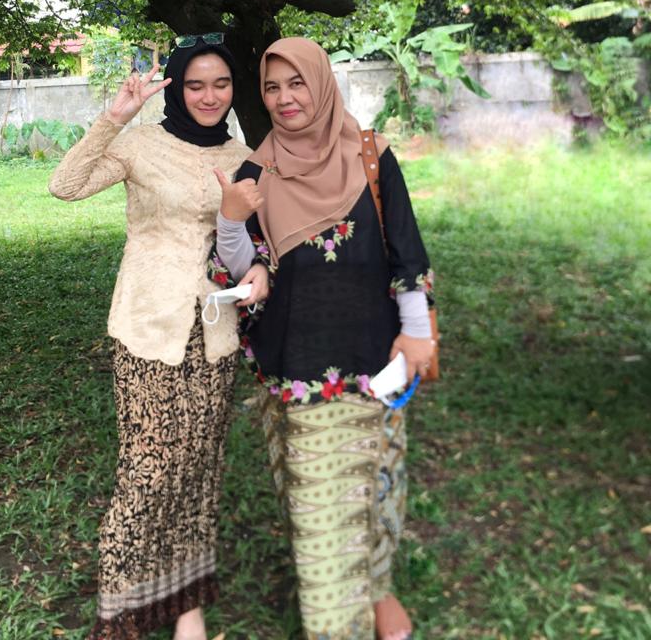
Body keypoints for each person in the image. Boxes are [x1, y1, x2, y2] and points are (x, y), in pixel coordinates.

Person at [213, 37, 434, 640]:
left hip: (375, 357)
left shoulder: (371, 155)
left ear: (322, 84)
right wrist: (231, 218)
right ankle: (335, 621)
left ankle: (379, 588)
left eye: (297, 83)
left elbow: (405, 247)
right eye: (272, 87)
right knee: (318, 512)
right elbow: (243, 269)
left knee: (380, 487)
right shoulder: (256, 172)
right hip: (299, 365)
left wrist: (417, 330)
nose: (285, 98)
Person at [49, 36, 268, 640]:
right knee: (148, 472)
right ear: (176, 87)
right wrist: (115, 117)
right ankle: (120, 614)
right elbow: (65, 185)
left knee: (198, 467)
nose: (209, 96)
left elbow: (255, 241)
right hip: (147, 327)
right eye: (195, 85)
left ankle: (187, 603)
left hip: (216, 333)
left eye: (220, 84)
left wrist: (260, 267)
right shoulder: (142, 144)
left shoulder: (245, 156)